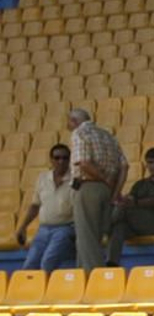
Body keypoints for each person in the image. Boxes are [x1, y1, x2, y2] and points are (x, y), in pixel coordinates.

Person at [66, 107, 128, 271]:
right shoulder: (108, 136)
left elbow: (84, 163)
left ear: (74, 121)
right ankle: (83, 277)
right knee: (95, 234)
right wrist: (114, 192)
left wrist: (104, 178)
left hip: (87, 186)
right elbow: (124, 166)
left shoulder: (79, 133)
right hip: (107, 190)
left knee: (87, 237)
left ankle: (94, 277)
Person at [106, 146, 154, 266]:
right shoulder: (140, 184)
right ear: (146, 164)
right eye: (150, 163)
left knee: (123, 209)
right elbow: (129, 199)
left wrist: (131, 203)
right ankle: (111, 264)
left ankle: (101, 228)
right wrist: (123, 200)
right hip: (138, 223)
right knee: (119, 227)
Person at [16, 144, 76, 273]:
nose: (61, 161)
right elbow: (35, 205)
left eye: (65, 158)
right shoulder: (43, 178)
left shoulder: (76, 180)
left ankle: (44, 292)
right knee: (29, 264)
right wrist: (23, 227)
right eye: (57, 157)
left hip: (65, 228)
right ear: (51, 160)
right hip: (43, 229)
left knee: (48, 262)